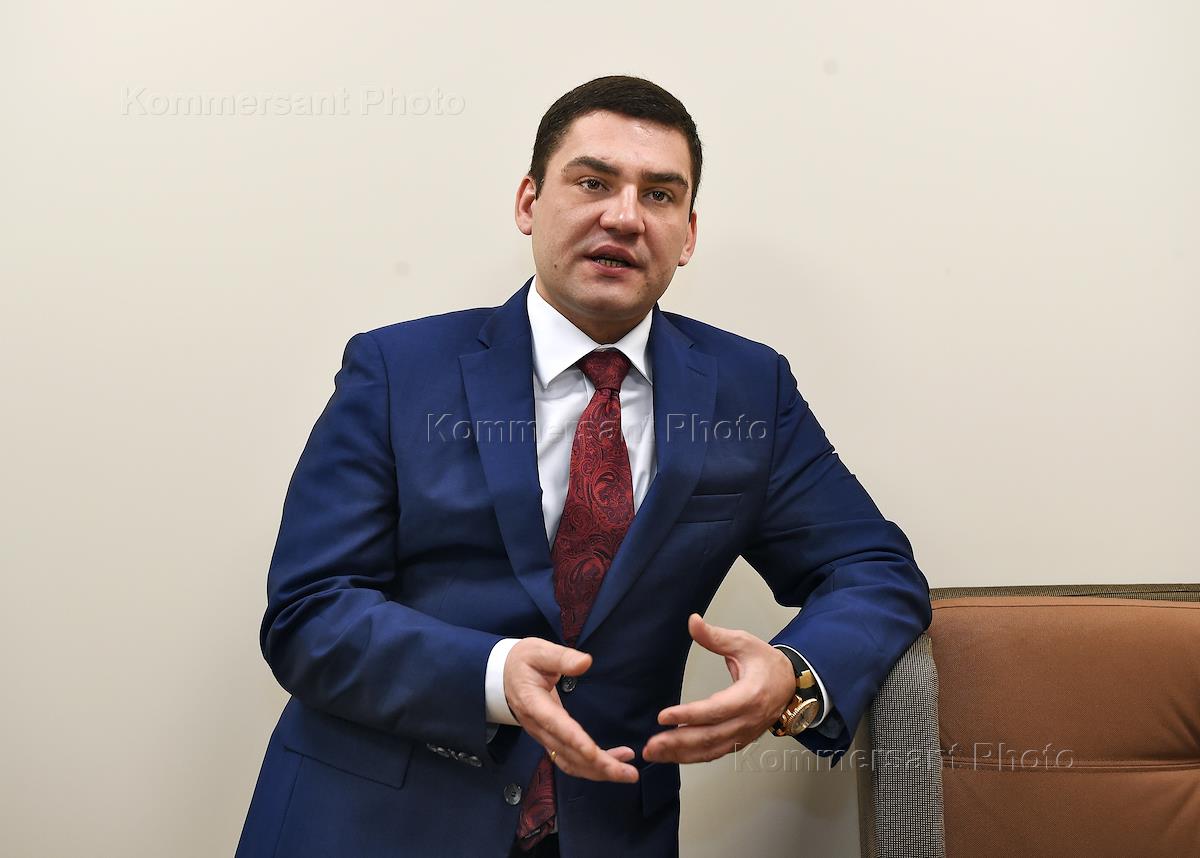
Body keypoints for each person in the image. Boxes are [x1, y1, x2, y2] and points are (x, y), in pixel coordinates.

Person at [236, 75, 931, 858]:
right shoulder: (398, 370)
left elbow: (874, 569)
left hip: (609, 829)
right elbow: (309, 613)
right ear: (529, 203)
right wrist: (493, 675)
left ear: (688, 234)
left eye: (660, 195)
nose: (625, 217)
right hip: (370, 826)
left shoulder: (749, 389)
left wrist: (793, 678)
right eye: (594, 182)